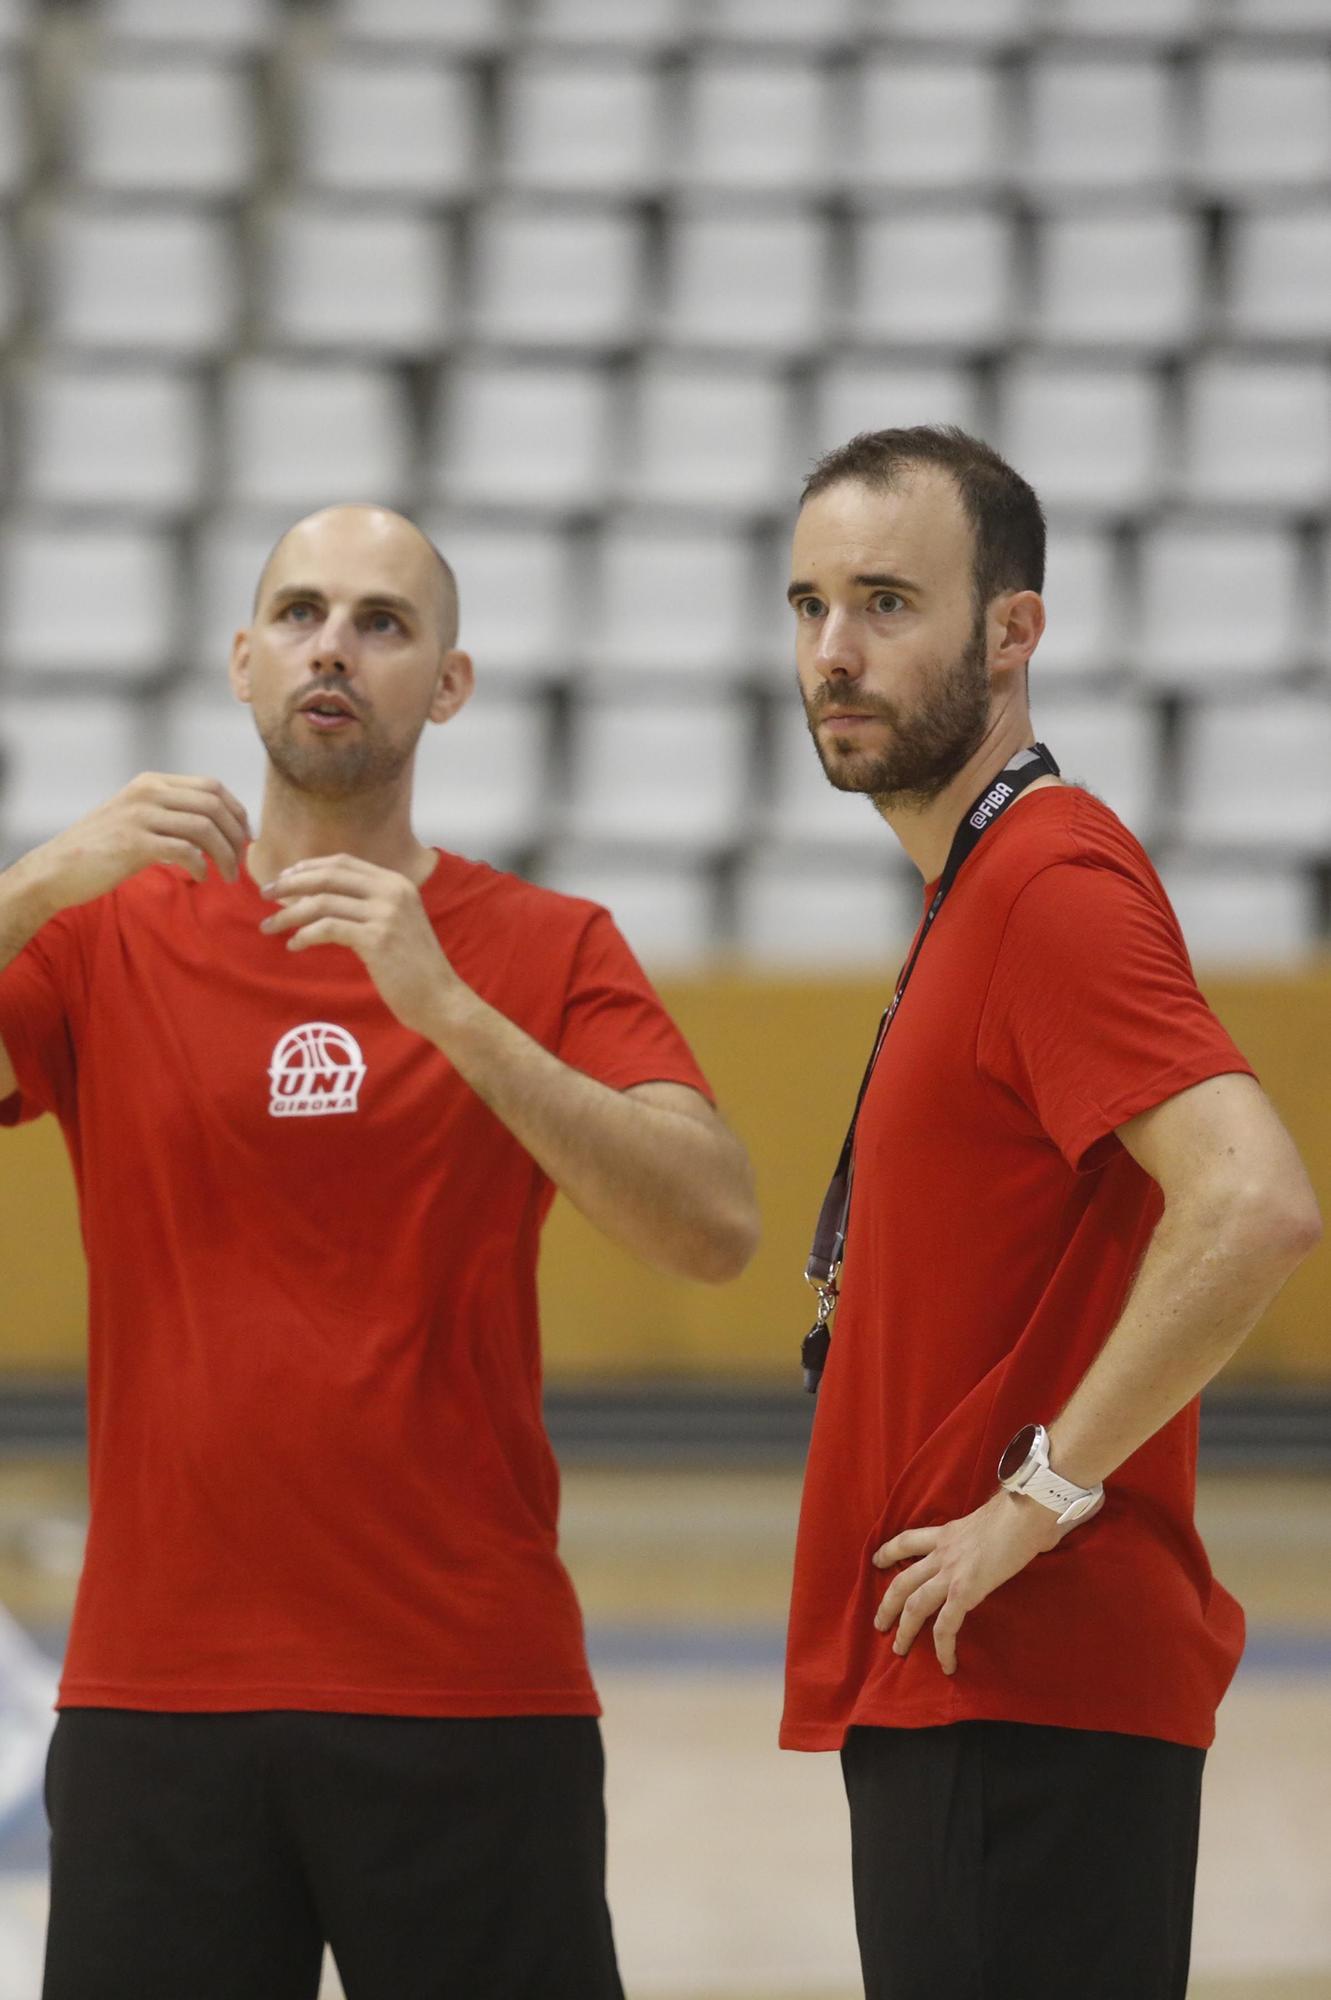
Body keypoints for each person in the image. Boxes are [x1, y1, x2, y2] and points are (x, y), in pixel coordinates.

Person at [0, 503, 761, 2000]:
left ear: (450, 686)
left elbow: (716, 1223)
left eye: (382, 622)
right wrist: (32, 884)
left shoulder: (545, 945)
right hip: (161, 1698)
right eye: (298, 613)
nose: (332, 646)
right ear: (240, 659)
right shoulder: (106, 936)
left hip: (469, 1689)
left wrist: (452, 1010)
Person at [778, 427, 1321, 2000]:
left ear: (1014, 629)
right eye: (809, 604)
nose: (834, 651)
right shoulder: (983, 889)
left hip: (1023, 1690)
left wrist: (1038, 1500)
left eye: (887, 601)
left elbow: (1254, 1201)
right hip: (981, 1692)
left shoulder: (1048, 887)